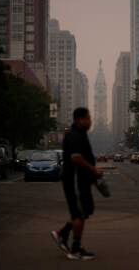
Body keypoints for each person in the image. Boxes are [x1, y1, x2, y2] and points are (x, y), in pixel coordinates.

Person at [51, 107, 103, 260]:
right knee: (80, 213)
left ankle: (62, 234)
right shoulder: (74, 136)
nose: (90, 121)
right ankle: (75, 249)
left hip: (81, 181)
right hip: (75, 181)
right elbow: (76, 158)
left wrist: (92, 178)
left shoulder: (80, 134)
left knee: (84, 211)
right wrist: (93, 170)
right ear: (80, 119)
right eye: (88, 118)